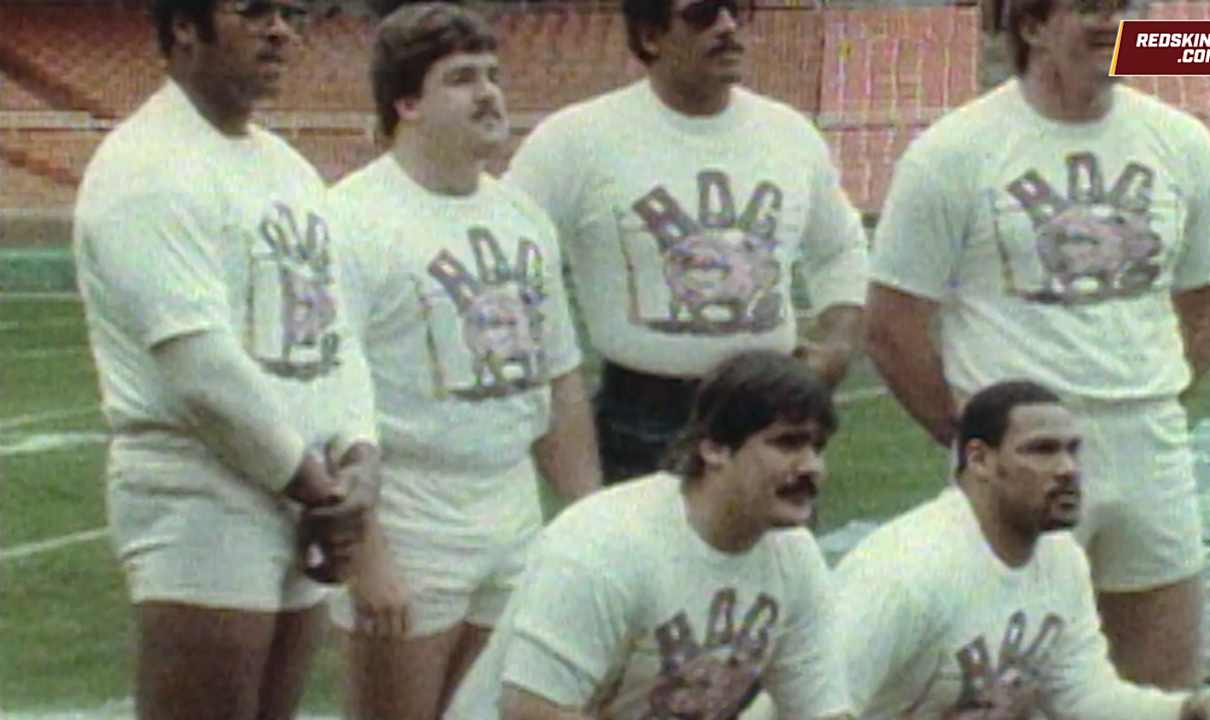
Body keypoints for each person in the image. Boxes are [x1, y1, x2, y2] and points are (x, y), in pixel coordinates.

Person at [864, 0, 1210, 690]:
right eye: (1091, 7)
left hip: (1150, 449)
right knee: (1003, 688)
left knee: (1164, 690)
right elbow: (891, 325)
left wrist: (1154, 396)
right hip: (1017, 458)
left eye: (1126, 6)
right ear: (1032, 26)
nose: (1114, 24)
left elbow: (1207, 300)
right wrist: (973, 436)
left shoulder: (1183, 144)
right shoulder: (954, 153)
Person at [73, 0, 379, 718]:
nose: (281, 31)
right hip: (201, 487)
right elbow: (199, 369)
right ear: (185, 25)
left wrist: (361, 458)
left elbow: (335, 335)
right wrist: (320, 489)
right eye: (254, 11)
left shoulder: (288, 169)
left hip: (305, 487)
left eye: (290, 13)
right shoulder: (146, 165)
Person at [324, 4, 602, 719]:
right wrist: (368, 553)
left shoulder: (522, 218)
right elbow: (325, 400)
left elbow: (559, 382)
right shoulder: (350, 220)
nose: (489, 94)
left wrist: (590, 521)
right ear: (406, 103)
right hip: (411, 510)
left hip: (511, 506)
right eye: (461, 79)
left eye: (492, 75)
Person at [746, 381, 1210, 720]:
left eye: (1073, 450)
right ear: (979, 460)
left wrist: (1196, 710)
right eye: (1042, 450)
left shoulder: (1060, 559)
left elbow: (1084, 699)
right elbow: (808, 706)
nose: (1067, 469)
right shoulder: (907, 570)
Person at [504, 0, 869, 484]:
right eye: (702, 14)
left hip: (769, 407)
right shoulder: (575, 140)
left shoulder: (789, 135)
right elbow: (506, 254)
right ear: (650, 36)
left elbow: (841, 249)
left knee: (779, 536)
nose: (727, 26)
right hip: (639, 416)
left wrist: (838, 346)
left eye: (737, 9)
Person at [444, 350, 853, 720]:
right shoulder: (605, 545)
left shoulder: (795, 557)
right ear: (714, 449)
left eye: (818, 448)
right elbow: (532, 711)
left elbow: (825, 712)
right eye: (787, 444)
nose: (812, 467)